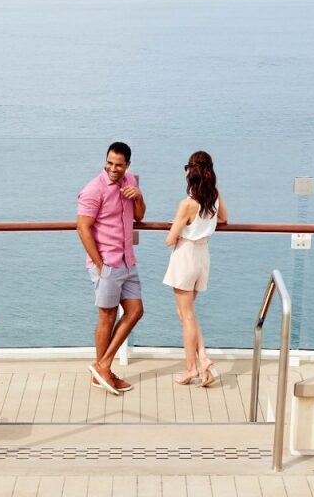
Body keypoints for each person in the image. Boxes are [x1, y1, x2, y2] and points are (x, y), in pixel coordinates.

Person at [76, 141, 146, 395]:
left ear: (127, 165)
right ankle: (102, 372)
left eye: (118, 164)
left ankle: (102, 365)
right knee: (107, 316)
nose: (113, 168)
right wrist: (100, 265)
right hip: (107, 263)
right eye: (109, 163)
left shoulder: (131, 181)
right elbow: (82, 228)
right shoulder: (93, 190)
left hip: (128, 260)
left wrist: (139, 197)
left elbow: (139, 216)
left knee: (135, 311)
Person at [162, 150, 227, 386]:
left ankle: (192, 368)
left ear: (191, 172)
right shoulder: (214, 196)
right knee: (187, 313)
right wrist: (198, 226)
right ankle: (203, 358)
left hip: (186, 256)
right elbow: (223, 219)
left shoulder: (187, 204)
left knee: (186, 315)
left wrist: (180, 227)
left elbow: (169, 240)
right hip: (202, 256)